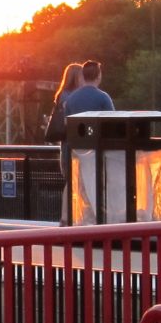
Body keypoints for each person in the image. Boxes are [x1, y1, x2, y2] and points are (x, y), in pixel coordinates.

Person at [63, 59, 116, 225]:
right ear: (98, 76)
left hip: (75, 151)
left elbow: (67, 125)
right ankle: (96, 219)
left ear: (83, 76)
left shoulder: (71, 99)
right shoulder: (103, 97)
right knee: (99, 186)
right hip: (97, 152)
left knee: (79, 187)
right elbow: (112, 123)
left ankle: (76, 219)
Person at [43, 62, 82, 222]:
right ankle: (68, 218)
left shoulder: (61, 95)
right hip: (71, 144)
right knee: (74, 181)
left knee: (70, 180)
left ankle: (68, 218)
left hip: (64, 144)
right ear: (76, 77)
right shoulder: (71, 97)